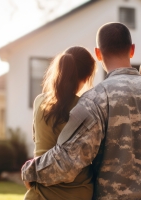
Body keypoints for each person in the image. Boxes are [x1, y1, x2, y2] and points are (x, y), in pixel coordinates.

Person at [22, 22, 141, 200]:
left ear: (98, 54)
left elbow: (69, 160)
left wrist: (31, 171)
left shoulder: (95, 100)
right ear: (132, 50)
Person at [23, 46, 96, 200]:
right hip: (77, 195)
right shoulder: (86, 109)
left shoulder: (39, 102)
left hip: (39, 194)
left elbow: (39, 143)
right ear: (88, 76)